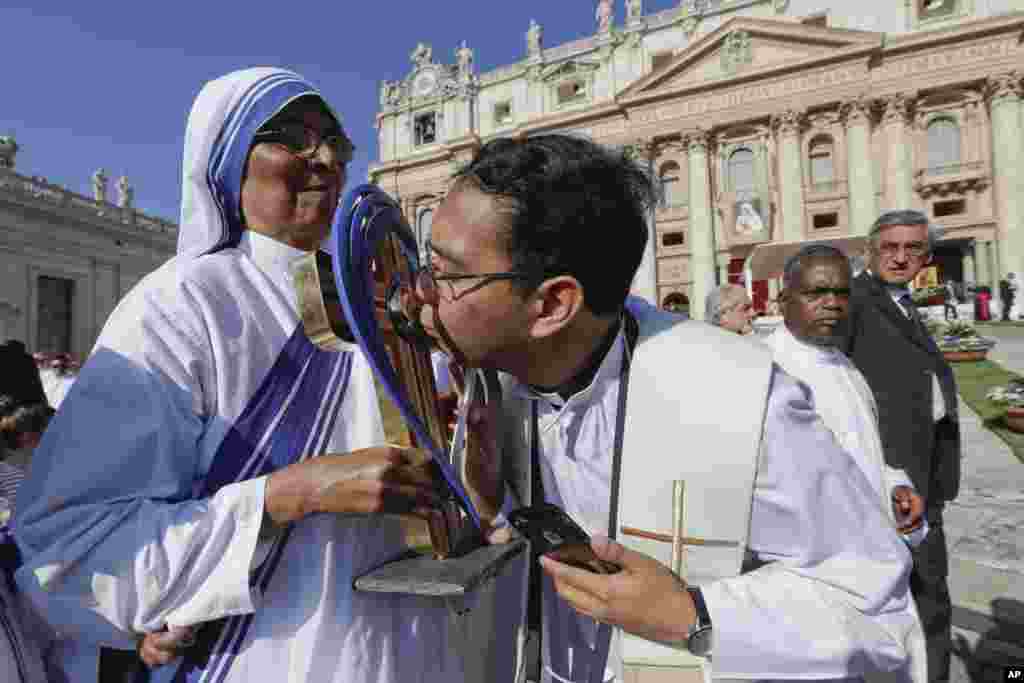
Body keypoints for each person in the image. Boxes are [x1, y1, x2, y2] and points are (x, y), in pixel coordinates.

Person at [403, 135, 921, 682]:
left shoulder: (738, 398)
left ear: (553, 305)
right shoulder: (492, 382)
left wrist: (693, 615)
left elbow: (875, 608)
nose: (421, 293)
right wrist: (487, 502)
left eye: (447, 274)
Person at [12, 68, 466, 683]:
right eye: (293, 137)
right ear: (225, 158)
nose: (326, 158)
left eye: (336, 142)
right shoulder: (180, 303)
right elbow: (70, 550)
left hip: (412, 653)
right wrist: (291, 493)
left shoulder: (386, 304)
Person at [843, 209, 961, 683]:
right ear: (871, 251)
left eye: (912, 248)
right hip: (889, 481)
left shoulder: (902, 303)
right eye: (890, 247)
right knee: (919, 599)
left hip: (924, 474)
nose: (901, 257)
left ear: (926, 257)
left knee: (928, 597)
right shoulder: (853, 300)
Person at [767, 244, 928, 547]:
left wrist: (893, 486)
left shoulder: (842, 363)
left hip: (872, 543)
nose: (832, 304)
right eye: (816, 293)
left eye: (842, 293)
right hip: (814, 555)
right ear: (783, 300)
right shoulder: (767, 369)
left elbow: (861, 453)